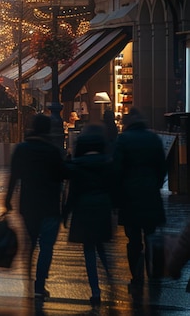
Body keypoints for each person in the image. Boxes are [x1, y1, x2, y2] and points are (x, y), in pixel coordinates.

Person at [4, 113, 66, 302]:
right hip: (50, 205)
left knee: (29, 244)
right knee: (46, 247)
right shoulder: (54, 151)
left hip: (28, 204)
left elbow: (14, 175)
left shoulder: (23, 149)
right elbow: (62, 175)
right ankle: (39, 285)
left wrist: (7, 199)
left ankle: (27, 280)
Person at [113, 108, 166, 292]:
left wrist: (116, 198)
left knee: (133, 240)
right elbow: (162, 167)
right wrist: (155, 185)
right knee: (151, 235)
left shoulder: (123, 140)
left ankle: (136, 277)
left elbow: (117, 170)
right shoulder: (153, 138)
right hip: (150, 194)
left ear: (127, 123)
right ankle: (154, 272)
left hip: (130, 197)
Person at [64, 125, 114, 307]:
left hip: (83, 210)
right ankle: (110, 275)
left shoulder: (78, 166)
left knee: (89, 251)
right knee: (102, 246)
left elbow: (73, 193)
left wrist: (65, 213)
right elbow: (112, 187)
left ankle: (95, 290)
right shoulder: (106, 163)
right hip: (102, 207)